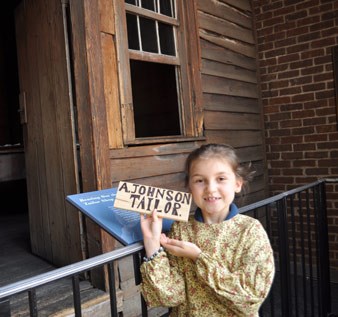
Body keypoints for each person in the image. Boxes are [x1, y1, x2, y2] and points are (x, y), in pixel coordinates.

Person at [140, 143, 275, 316]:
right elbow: (170, 297)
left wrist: (198, 257)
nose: (210, 188)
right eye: (200, 180)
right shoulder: (182, 229)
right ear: (190, 187)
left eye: (221, 179)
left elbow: (250, 298)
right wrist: (152, 244)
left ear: (237, 184)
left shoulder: (249, 231)